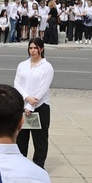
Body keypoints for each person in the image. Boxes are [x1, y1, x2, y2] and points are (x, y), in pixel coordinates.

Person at [13, 38, 54, 168]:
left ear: (41, 49)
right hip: (23, 107)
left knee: (40, 140)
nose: (33, 51)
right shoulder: (22, 65)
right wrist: (26, 99)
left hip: (39, 108)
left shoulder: (46, 67)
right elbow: (17, 84)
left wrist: (31, 105)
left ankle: (38, 166)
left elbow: (42, 89)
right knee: (21, 139)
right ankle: (21, 166)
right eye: (31, 48)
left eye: (35, 48)